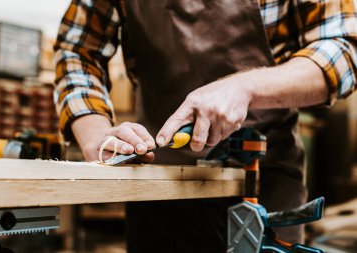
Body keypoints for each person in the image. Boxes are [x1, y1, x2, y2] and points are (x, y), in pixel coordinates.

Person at [54, 0, 357, 252]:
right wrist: (96, 135)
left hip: (262, 183)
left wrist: (247, 87)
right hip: (157, 186)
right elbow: (78, 51)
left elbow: (344, 49)